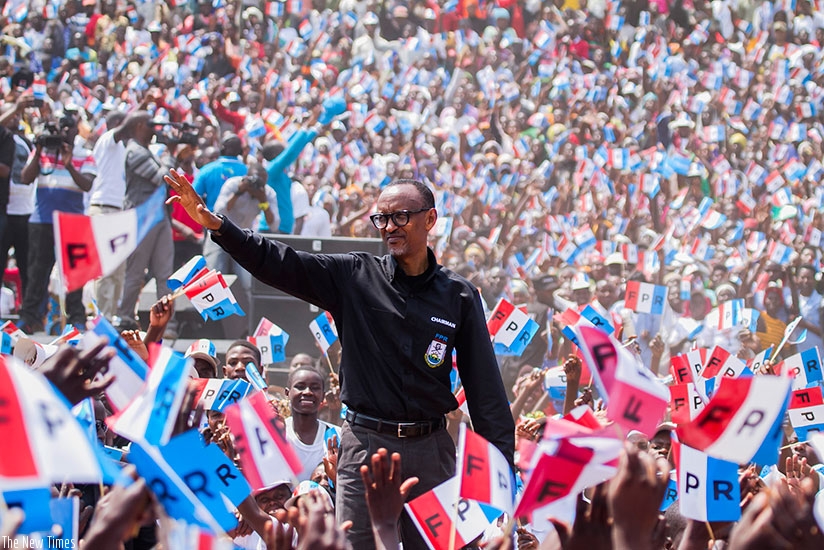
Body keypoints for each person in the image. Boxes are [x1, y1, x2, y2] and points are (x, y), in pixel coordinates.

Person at [165, 170, 514, 550]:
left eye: (401, 216)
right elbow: (280, 262)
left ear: (430, 219)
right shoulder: (354, 275)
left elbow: (486, 394)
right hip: (364, 445)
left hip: (431, 451)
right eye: (382, 218)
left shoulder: (459, 296)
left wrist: (502, 485)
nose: (389, 227)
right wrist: (219, 226)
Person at [19, 110, 95, 332]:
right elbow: (25, 178)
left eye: (68, 128)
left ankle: (76, 318)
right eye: (60, 128)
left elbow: (87, 184)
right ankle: (29, 316)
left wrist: (69, 164)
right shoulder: (42, 151)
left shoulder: (84, 154)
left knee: (74, 274)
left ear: (75, 131)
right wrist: (39, 150)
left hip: (72, 222)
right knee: (37, 273)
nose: (63, 132)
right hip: (42, 220)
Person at [114, 112, 174, 332]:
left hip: (159, 216)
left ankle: (167, 321)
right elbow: (161, 178)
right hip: (141, 217)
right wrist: (170, 155)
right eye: (151, 125)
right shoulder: (134, 151)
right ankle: (125, 317)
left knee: (165, 273)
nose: (155, 130)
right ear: (139, 126)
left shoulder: (146, 151)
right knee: (136, 272)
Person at [87, 110, 130, 320]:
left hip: (119, 210)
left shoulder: (124, 148)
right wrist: (143, 104)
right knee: (105, 267)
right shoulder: (107, 140)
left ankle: (111, 317)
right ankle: (102, 318)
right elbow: (124, 128)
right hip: (103, 208)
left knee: (118, 270)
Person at [284, 366, 341, 482]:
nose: (308, 392)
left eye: (315, 388)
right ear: (287, 393)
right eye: (300, 387)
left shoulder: (337, 435)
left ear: (323, 396)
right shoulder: (277, 434)